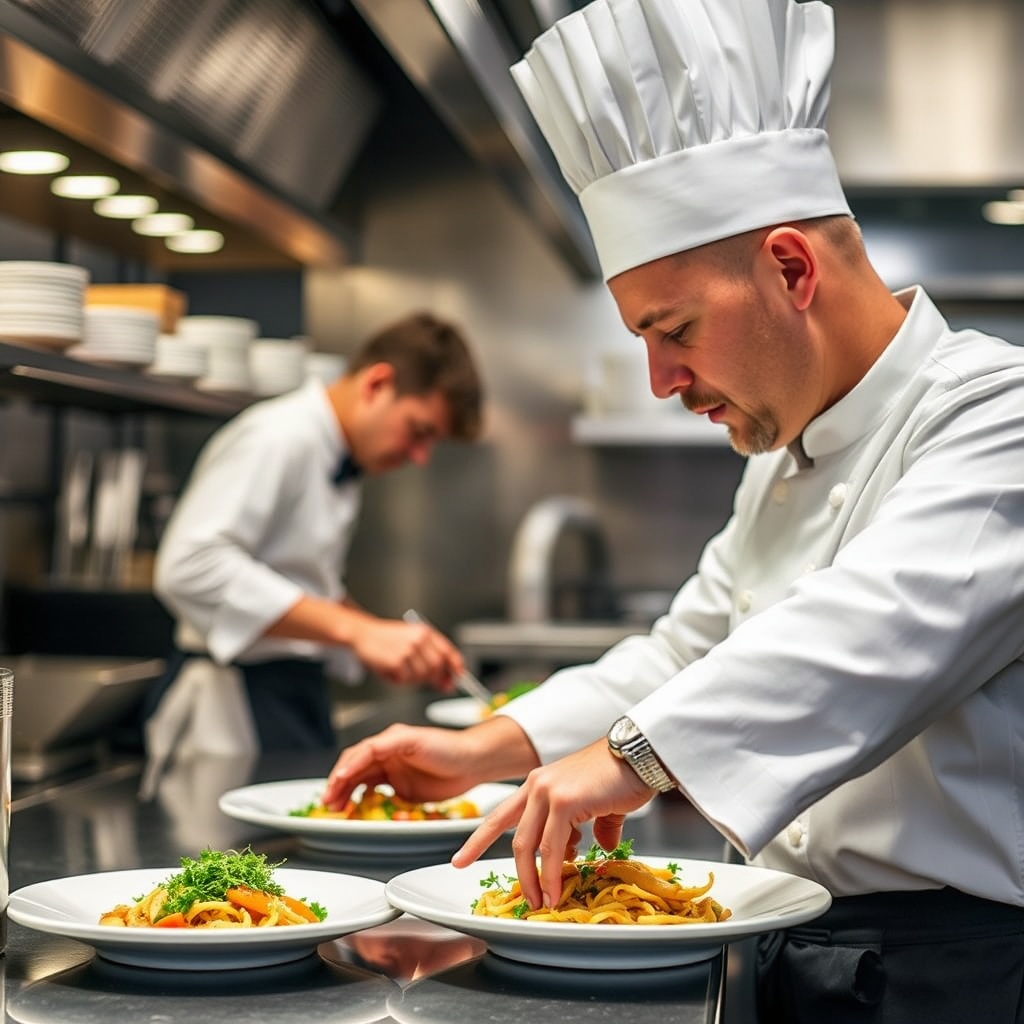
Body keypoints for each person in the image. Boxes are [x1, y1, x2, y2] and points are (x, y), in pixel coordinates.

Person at [323, 1, 1024, 1021]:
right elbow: (682, 653)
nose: (660, 379)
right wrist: (492, 745)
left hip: (956, 975)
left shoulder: (997, 415)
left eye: (674, 328)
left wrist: (627, 758)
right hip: (806, 943)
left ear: (790, 269)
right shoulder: (786, 448)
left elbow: (872, 632)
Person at [144, 311, 484, 757]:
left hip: (288, 697)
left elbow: (297, 582)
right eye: (419, 432)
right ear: (376, 384)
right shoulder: (279, 437)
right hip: (229, 712)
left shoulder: (337, 453)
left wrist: (377, 638)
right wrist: (357, 633)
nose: (420, 457)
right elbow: (188, 566)